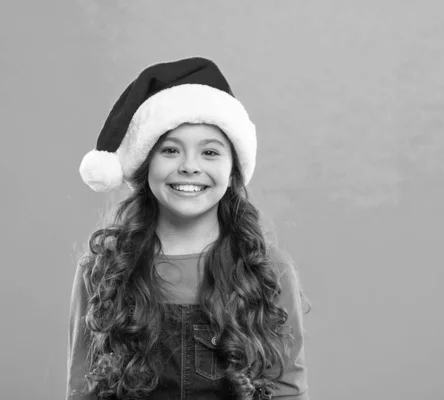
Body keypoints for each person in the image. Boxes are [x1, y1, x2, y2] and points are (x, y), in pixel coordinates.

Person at [67, 57, 311, 400]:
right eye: (170, 150)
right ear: (144, 164)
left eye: (210, 152)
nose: (190, 167)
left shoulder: (268, 272)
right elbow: (83, 385)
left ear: (233, 170)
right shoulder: (105, 269)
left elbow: (287, 389)